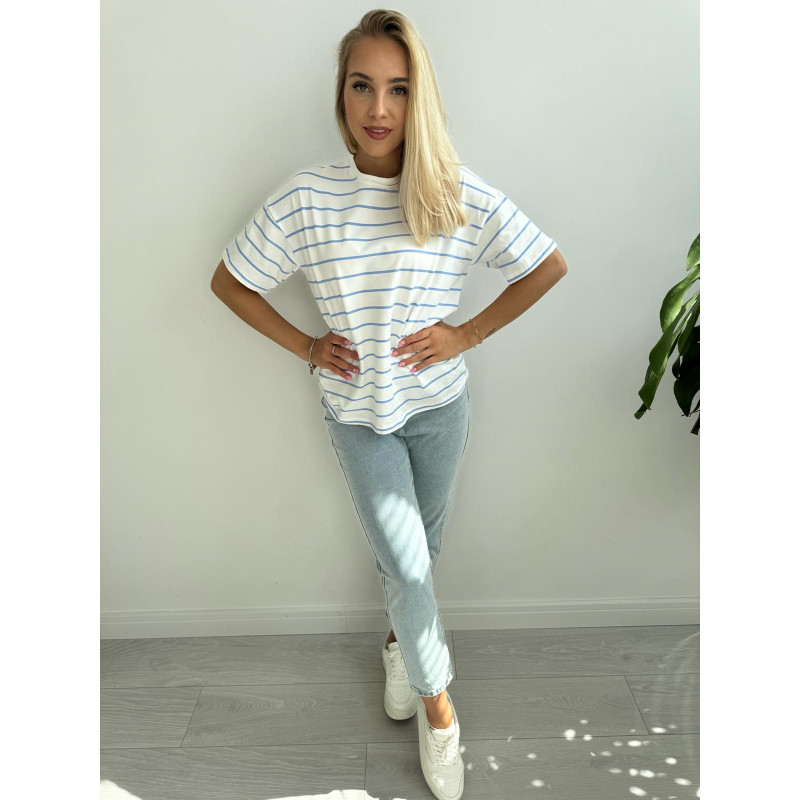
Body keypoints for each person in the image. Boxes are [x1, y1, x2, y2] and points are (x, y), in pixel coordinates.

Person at [210, 9, 567, 800]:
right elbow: (230, 281)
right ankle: (442, 716)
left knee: (420, 557)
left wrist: (467, 333)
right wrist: (307, 346)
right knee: (406, 563)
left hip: (440, 409)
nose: (378, 108)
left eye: (399, 89)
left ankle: (401, 649)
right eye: (362, 86)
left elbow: (546, 265)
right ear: (340, 95)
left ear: (419, 98)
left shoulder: (451, 188)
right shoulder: (308, 196)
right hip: (357, 413)